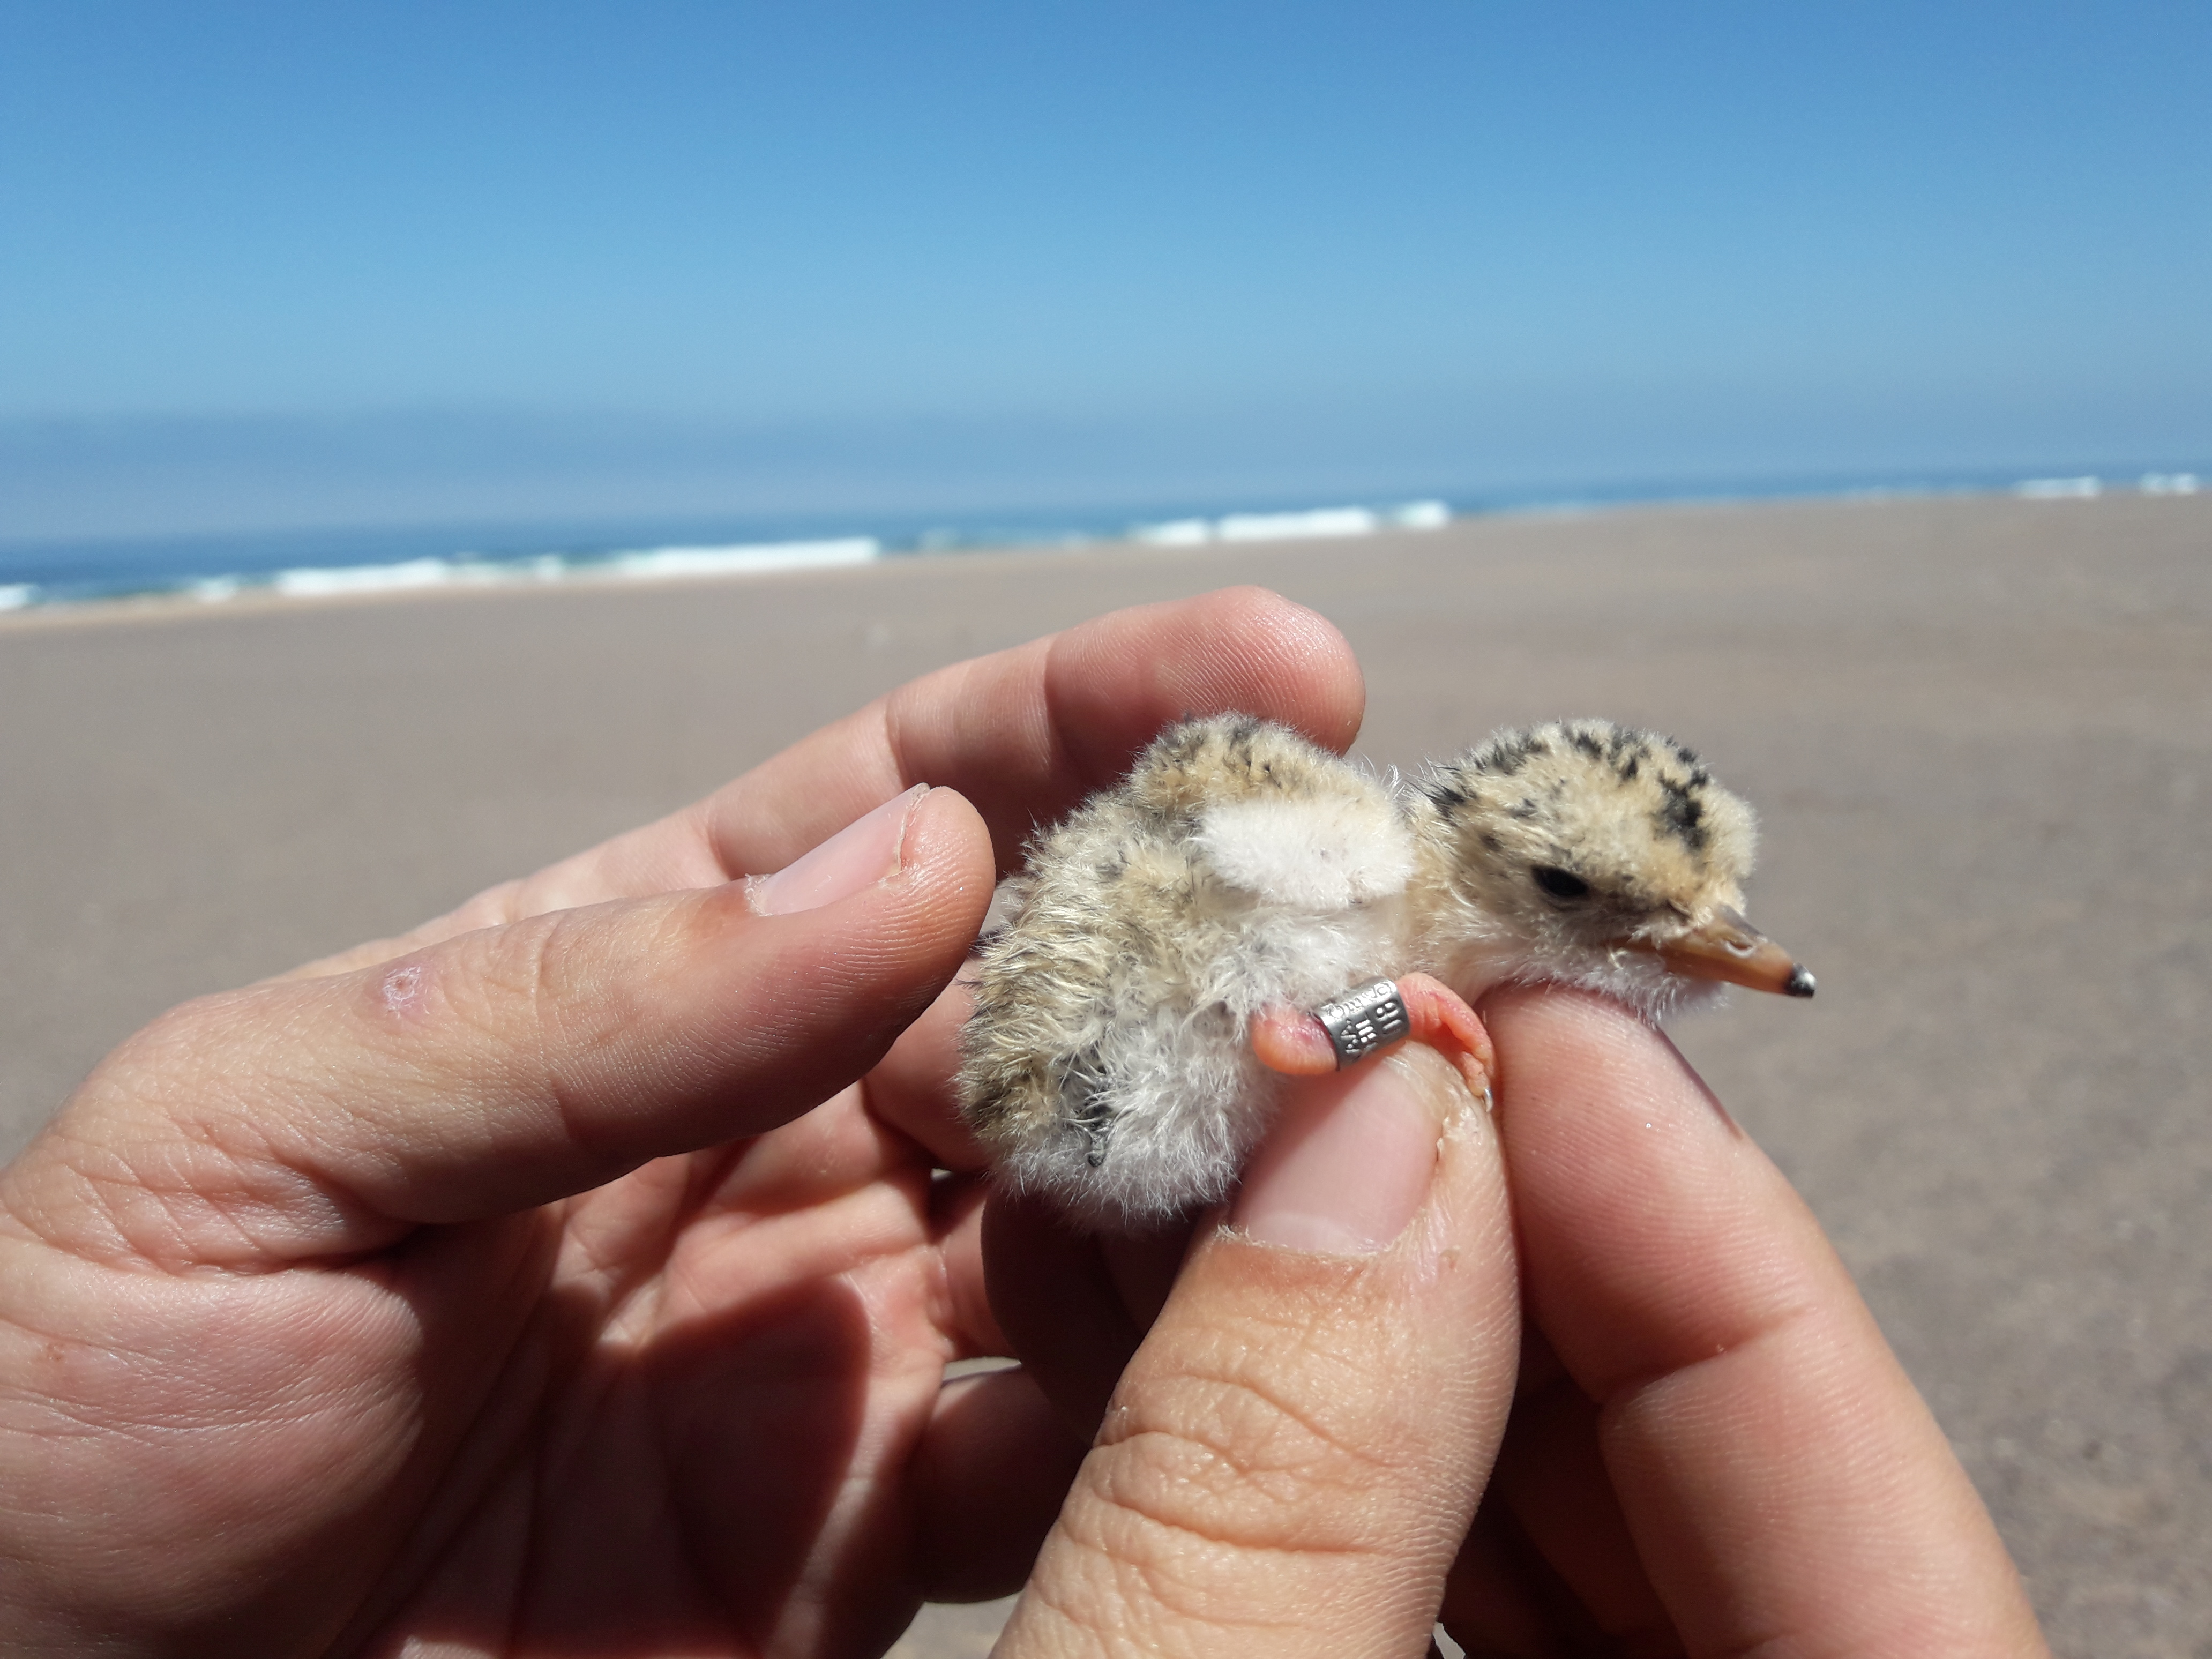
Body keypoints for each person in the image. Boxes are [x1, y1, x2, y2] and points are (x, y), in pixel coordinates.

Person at [0, 588, 2046, 1657]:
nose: (1689, 958)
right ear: (1517, 877)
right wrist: (1375, 1019)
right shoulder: (1333, 867)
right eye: (1620, 922)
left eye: (1698, 920)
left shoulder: (1376, 866)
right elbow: (1244, 1030)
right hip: (1121, 1091)